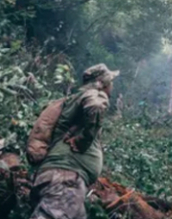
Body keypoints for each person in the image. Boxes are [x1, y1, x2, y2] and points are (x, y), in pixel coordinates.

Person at [29, 64, 119, 219]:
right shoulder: (93, 94)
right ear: (102, 83)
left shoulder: (73, 100)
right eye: (110, 81)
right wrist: (83, 140)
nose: (112, 86)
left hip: (62, 179)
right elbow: (96, 107)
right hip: (65, 180)